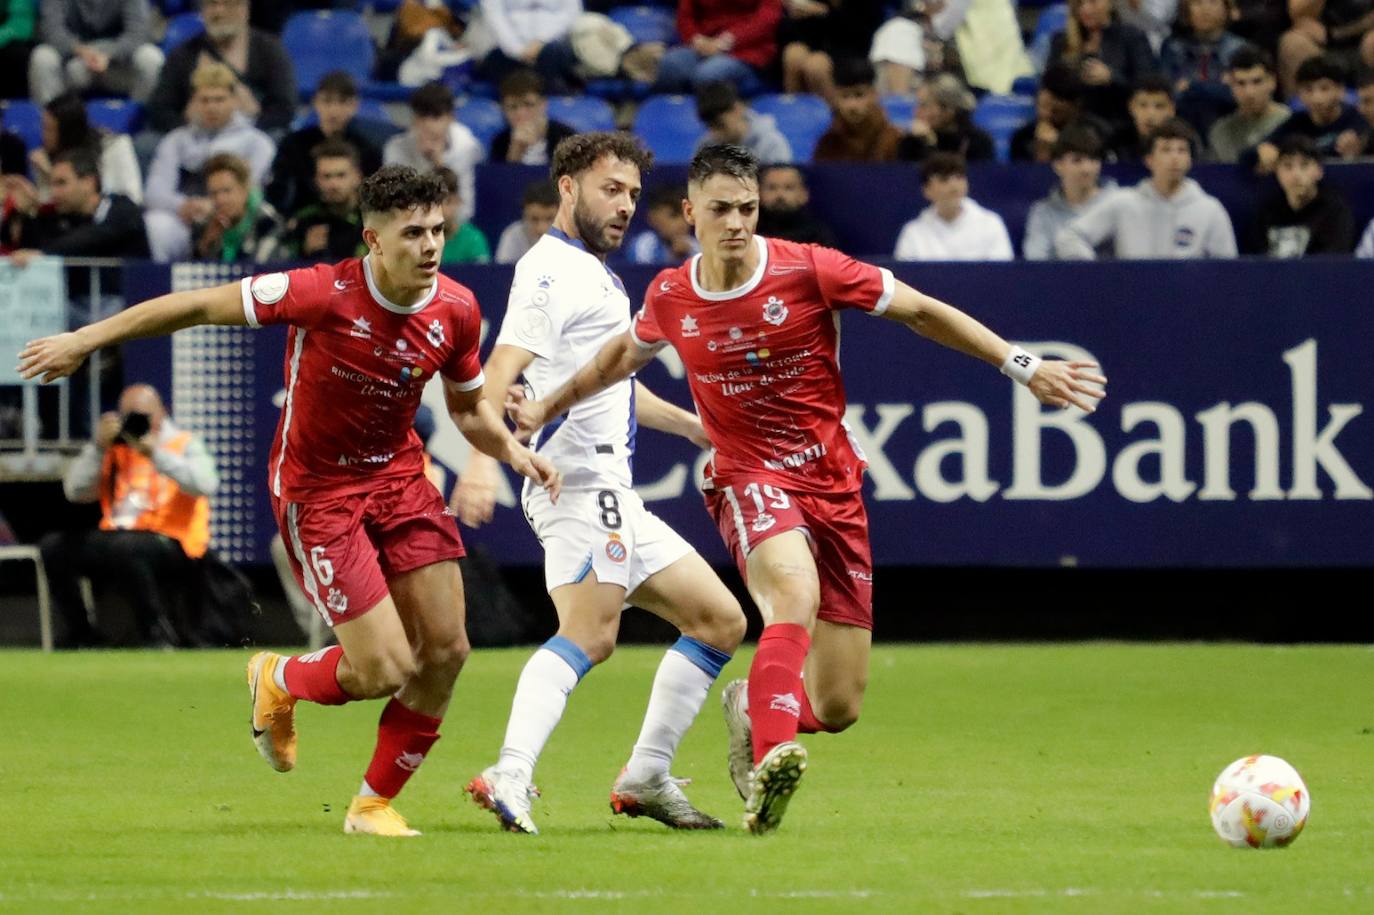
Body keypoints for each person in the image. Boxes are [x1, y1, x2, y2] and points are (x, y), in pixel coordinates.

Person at [503, 143, 1105, 834]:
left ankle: (763, 713)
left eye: (749, 208)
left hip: (832, 480)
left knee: (840, 702)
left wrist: (1019, 363)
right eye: (722, 209)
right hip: (746, 473)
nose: (737, 222)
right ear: (690, 213)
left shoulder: (809, 268)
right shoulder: (673, 294)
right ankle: (768, 767)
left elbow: (920, 309)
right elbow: (616, 359)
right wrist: (546, 408)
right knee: (792, 591)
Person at [18, 164, 562, 838]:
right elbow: (193, 306)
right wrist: (84, 338)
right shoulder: (318, 292)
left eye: (438, 230)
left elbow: (469, 410)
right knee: (383, 667)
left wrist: (507, 453)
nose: (430, 246)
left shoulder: (455, 308)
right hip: (320, 492)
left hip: (399, 480)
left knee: (447, 649)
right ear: (372, 238)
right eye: (413, 232)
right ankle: (279, 675)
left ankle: (371, 805)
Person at [455, 131, 746, 835]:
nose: (624, 207)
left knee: (719, 621)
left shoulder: (595, 274)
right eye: (610, 190)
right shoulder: (553, 272)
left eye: (633, 196)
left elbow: (609, 388)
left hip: (614, 493)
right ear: (567, 187)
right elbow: (494, 377)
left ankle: (645, 773)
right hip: (580, 489)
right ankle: (510, 771)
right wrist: (477, 455)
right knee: (588, 635)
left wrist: (691, 426)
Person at [38, 383, 218, 647]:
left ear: (162, 413)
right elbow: (75, 491)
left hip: (173, 541)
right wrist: (98, 447)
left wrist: (155, 453)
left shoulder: (183, 443)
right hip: (118, 535)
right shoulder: (114, 448)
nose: (137, 423)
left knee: (129, 548)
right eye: (129, 416)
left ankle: (156, 634)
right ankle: (82, 634)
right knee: (54, 547)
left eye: (144, 416)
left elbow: (206, 484)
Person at [143, 61, 276, 262]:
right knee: (156, 223)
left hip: (237, 220)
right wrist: (185, 205)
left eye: (219, 99)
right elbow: (154, 193)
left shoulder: (257, 142)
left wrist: (214, 205)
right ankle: (165, 285)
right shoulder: (176, 140)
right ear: (193, 102)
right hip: (187, 216)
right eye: (204, 100)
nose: (212, 107)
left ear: (234, 100)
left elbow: (253, 190)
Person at [1056, 118, 1238, 258]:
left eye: (1182, 150)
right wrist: (1099, 274)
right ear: (1149, 160)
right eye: (1166, 150)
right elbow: (1069, 237)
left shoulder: (1210, 209)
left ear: (1190, 160)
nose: (1174, 157)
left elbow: (1227, 269)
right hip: (1133, 299)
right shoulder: (1123, 202)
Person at [146, 0, 297, 134]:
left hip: (254, 134)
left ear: (244, 8)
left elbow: (285, 107)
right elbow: (160, 108)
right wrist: (187, 125)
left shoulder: (270, 50)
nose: (219, 12)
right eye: (212, 4)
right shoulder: (183, 54)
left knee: (279, 138)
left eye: (228, 3)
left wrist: (251, 128)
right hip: (194, 137)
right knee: (145, 144)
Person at [265, 70, 384, 217]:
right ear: (316, 102)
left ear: (354, 105)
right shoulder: (293, 144)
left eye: (342, 102)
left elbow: (376, 198)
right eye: (327, 101)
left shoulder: (367, 149)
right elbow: (279, 192)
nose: (334, 111)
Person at [1, 146, 148, 259]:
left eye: (61, 183)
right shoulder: (62, 218)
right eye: (52, 184)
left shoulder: (123, 209)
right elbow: (33, 247)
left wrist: (45, 253)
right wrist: (28, 213)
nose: (54, 193)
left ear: (88, 182)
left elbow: (92, 236)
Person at [384, 81, 484, 224]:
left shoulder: (468, 148)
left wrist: (439, 164)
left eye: (436, 117)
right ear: (413, 118)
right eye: (422, 117)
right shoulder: (395, 148)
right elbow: (392, 205)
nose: (428, 125)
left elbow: (465, 211)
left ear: (451, 118)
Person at [28, 0, 164, 104]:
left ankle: (141, 127)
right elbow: (52, 32)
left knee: (151, 58)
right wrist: (81, 51)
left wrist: (109, 54)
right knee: (42, 56)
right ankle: (53, 129)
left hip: (117, 64)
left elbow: (138, 33)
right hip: (73, 63)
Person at [1048, 0, 1159, 125]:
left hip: (1119, 124)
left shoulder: (1131, 37)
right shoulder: (1062, 41)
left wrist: (1112, 78)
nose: (1086, 9)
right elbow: (1050, 88)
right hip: (1072, 123)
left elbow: (1147, 86)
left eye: (1093, 2)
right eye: (1080, 3)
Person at [893, 153, 1014, 261]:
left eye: (959, 177)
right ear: (926, 190)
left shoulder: (991, 223)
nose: (954, 186)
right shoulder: (913, 232)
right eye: (944, 179)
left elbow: (1002, 274)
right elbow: (904, 281)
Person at [1252, 53, 1364, 169]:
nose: (1316, 98)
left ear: (1341, 90)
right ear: (1299, 93)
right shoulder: (1296, 123)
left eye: (1324, 88)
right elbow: (1250, 154)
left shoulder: (1359, 118)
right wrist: (1262, 151)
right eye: (1308, 89)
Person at [1249, 134, 1355, 255]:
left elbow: (1335, 260)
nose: (1296, 174)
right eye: (1287, 166)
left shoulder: (1335, 212)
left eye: (1304, 165)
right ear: (1277, 172)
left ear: (1319, 171)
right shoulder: (1266, 212)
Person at [30, 90, 142, 203]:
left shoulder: (115, 146)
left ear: (67, 132)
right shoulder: (44, 158)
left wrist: (52, 174)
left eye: (50, 130)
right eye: (43, 127)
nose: (44, 136)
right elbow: (46, 205)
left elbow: (133, 196)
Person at [1023, 126, 1113, 260]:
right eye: (1077, 160)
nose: (1087, 169)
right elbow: (1036, 262)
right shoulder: (1042, 212)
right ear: (1058, 165)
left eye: (1093, 159)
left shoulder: (1119, 203)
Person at [654, 0, 782, 94]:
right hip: (704, 44)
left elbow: (768, 17)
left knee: (707, 76)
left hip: (747, 50)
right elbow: (685, 16)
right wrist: (696, 39)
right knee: (669, 65)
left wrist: (724, 42)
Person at [1160, 0, 1249, 133]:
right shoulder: (1173, 48)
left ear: (1226, 8)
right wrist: (1217, 86)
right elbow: (1168, 96)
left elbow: (1240, 96)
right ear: (1186, 9)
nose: (1205, 9)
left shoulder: (1240, 50)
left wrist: (1192, 87)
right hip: (1182, 126)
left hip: (1232, 126)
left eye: (1212, 2)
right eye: (1197, 3)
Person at [275, 138, 369, 262]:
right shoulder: (305, 220)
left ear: (357, 177)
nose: (333, 184)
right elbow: (281, 266)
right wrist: (305, 251)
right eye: (326, 176)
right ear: (316, 180)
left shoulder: (373, 218)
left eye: (341, 175)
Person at [194, 151, 284, 262]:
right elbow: (187, 271)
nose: (220, 200)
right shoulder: (205, 225)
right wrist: (206, 244)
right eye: (214, 193)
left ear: (245, 190)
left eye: (227, 191)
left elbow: (260, 270)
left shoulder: (268, 223)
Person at [1207, 45, 1290, 163]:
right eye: (1241, 83)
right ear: (1231, 85)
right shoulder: (1220, 133)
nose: (1249, 92)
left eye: (1257, 82)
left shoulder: (1291, 124)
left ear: (1272, 81)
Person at [813, 57, 903, 162]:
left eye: (859, 95)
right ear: (836, 99)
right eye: (845, 96)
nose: (852, 106)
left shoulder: (893, 141)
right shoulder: (828, 144)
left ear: (874, 95)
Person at [897, 72, 996, 164]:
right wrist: (925, 141)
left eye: (924, 106)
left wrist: (930, 145)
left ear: (949, 110)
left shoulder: (978, 142)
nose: (916, 112)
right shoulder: (912, 141)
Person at [489, 68, 577, 166]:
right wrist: (515, 152)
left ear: (543, 104)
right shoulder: (500, 142)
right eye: (513, 107)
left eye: (529, 105)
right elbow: (498, 179)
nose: (521, 113)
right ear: (504, 110)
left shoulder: (567, 138)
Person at [694, 80, 792, 163]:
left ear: (737, 109)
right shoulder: (705, 147)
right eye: (710, 127)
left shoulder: (771, 144)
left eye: (720, 125)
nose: (715, 135)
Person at [755, 163, 836, 247]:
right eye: (772, 188)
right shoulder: (750, 232)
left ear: (804, 195)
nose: (780, 195)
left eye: (788, 188)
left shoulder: (817, 235)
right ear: (758, 193)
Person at [1108, 74, 1177, 161]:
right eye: (1143, 105)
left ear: (1171, 110)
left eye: (1159, 106)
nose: (1150, 114)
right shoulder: (1115, 141)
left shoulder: (1185, 142)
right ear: (1131, 107)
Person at [627, 183, 700, 265]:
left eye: (686, 216)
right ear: (653, 217)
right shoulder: (643, 245)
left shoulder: (696, 246)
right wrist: (673, 256)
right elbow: (643, 274)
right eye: (673, 215)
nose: (682, 223)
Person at [494, 179, 559, 264]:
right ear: (524, 215)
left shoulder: (573, 237)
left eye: (550, 219)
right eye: (534, 219)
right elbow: (502, 274)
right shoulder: (513, 236)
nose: (542, 228)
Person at [436, 166, 490, 264]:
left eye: (447, 202)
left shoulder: (474, 239)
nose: (440, 210)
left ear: (457, 201)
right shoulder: (421, 243)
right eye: (435, 204)